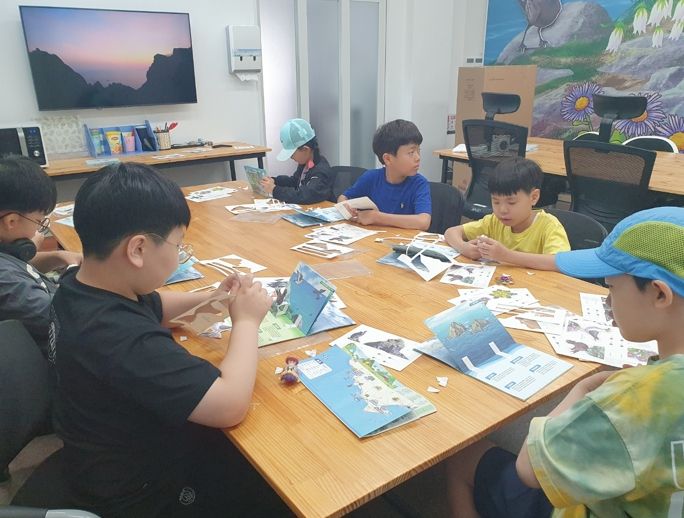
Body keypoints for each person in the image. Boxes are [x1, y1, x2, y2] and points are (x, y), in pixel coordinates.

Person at [50, 162, 290, 517]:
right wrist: (247, 322)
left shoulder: (81, 285)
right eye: (178, 244)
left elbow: (158, 307)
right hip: (143, 493)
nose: (180, 255)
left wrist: (216, 301)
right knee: (276, 476)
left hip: (105, 454)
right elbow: (229, 406)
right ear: (138, 249)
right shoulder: (118, 338)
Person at [447, 206, 684, 517]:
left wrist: (583, 389)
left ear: (660, 294)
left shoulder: (636, 398)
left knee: (460, 458)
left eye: (611, 287)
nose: (608, 302)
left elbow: (528, 469)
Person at [0, 156, 81, 356]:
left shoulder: (6, 252)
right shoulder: (8, 282)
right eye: (38, 221)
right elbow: (66, 319)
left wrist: (59, 257)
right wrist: (78, 279)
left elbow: (20, 265)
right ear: (11, 221)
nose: (39, 229)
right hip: (52, 360)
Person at [444, 157, 569, 270]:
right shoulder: (494, 221)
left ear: (534, 197)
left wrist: (507, 255)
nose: (502, 210)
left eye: (511, 202)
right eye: (496, 202)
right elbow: (451, 232)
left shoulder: (548, 225)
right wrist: (463, 247)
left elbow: (561, 263)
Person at [337, 119, 431, 230]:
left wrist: (377, 217)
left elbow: (423, 222)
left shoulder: (419, 183)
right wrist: (346, 208)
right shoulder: (371, 178)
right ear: (388, 159)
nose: (418, 157)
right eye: (411, 153)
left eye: (418, 150)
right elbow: (343, 198)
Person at [259, 118, 333, 204]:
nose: (290, 157)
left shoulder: (320, 171)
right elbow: (295, 182)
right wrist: (274, 181)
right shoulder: (305, 163)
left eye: (292, 153)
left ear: (305, 150)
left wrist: (274, 190)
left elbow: (305, 195)